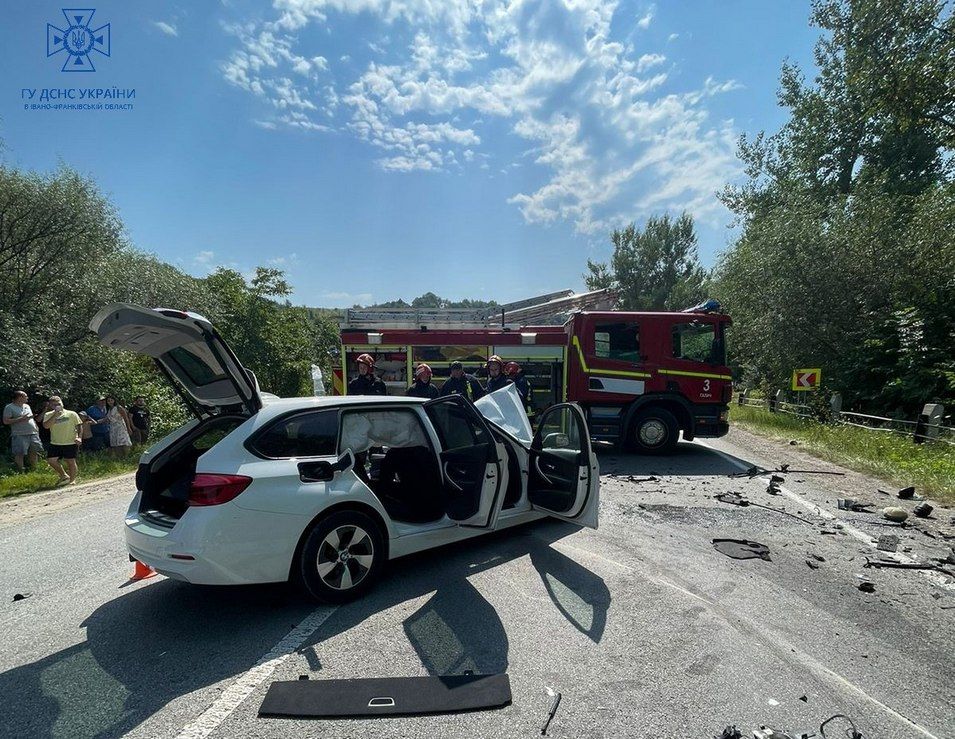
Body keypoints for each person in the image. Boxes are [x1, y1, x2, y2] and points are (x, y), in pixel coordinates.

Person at [42, 396, 82, 485]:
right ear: (51, 406)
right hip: (55, 442)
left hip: (70, 442)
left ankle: (72, 480)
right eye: (54, 405)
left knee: (70, 461)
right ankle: (64, 475)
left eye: (59, 404)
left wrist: (79, 437)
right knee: (51, 460)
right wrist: (55, 416)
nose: (57, 406)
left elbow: (79, 425)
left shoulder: (72, 414)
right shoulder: (48, 415)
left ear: (62, 403)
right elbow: (46, 426)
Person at [3, 390, 44, 472]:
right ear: (19, 397)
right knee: (19, 453)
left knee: (34, 451)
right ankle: (20, 471)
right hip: (19, 434)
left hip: (33, 432)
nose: (27, 397)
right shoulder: (9, 407)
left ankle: (34, 470)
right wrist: (21, 419)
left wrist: (36, 427)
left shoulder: (27, 406)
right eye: (25, 396)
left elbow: (30, 418)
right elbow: (6, 421)